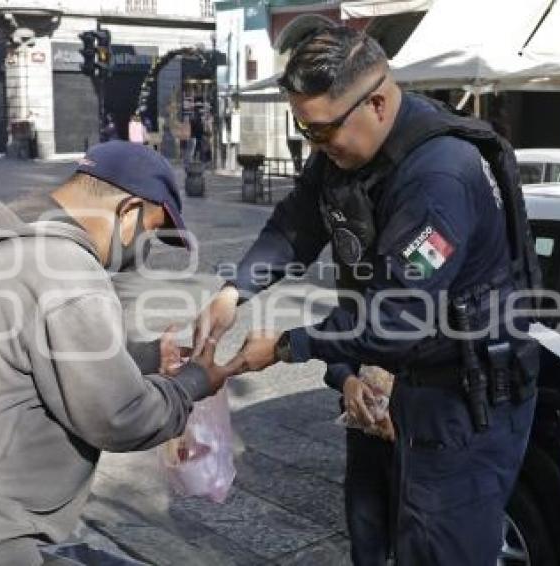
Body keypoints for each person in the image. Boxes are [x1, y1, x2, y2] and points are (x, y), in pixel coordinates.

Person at [194, 26, 541, 566]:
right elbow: (293, 228)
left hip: (458, 403)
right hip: (382, 385)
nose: (316, 146)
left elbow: (393, 321)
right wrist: (232, 291)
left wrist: (287, 346)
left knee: (436, 550)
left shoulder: (440, 176)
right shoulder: (344, 151)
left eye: (322, 131)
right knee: (370, 537)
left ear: (376, 101)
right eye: (304, 130)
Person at [0, 141, 236, 566]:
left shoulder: (3, 246)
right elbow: (122, 418)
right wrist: (195, 381)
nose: (144, 248)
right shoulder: (67, 271)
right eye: (150, 232)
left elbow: (49, 354)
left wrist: (150, 356)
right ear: (128, 212)